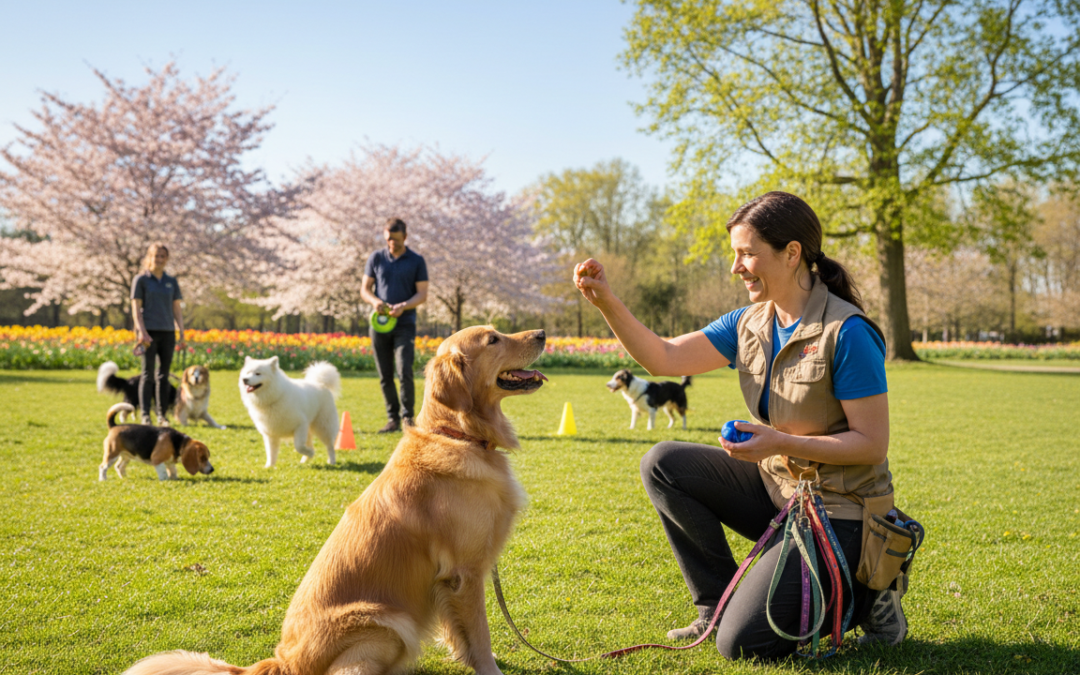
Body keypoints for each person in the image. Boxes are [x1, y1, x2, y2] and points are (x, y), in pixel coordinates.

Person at [574, 191, 905, 660]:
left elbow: (872, 445)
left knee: (744, 645)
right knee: (663, 463)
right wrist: (605, 300)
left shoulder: (847, 333)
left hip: (840, 512)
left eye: (747, 253)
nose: (736, 267)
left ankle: (870, 594)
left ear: (792, 253)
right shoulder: (748, 322)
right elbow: (663, 357)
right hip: (779, 492)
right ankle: (713, 604)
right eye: (735, 254)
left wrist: (779, 441)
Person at [361, 218, 429, 433]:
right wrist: (375, 301)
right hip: (380, 324)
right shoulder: (376, 258)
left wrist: (404, 306)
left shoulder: (416, 261)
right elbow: (365, 289)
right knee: (385, 374)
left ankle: (408, 419)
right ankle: (392, 420)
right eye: (389, 239)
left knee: (404, 370)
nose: (392, 243)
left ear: (405, 238)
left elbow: (422, 294)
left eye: (397, 240)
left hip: (404, 324)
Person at [131, 243, 186, 426]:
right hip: (148, 333)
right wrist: (142, 332)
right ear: (150, 257)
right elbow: (136, 309)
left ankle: (162, 416)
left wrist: (181, 331)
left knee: (164, 375)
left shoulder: (172, 281)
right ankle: (145, 415)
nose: (159, 259)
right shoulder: (141, 280)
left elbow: (176, 308)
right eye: (156, 256)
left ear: (166, 259)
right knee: (147, 375)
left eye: (163, 256)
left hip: (168, 332)